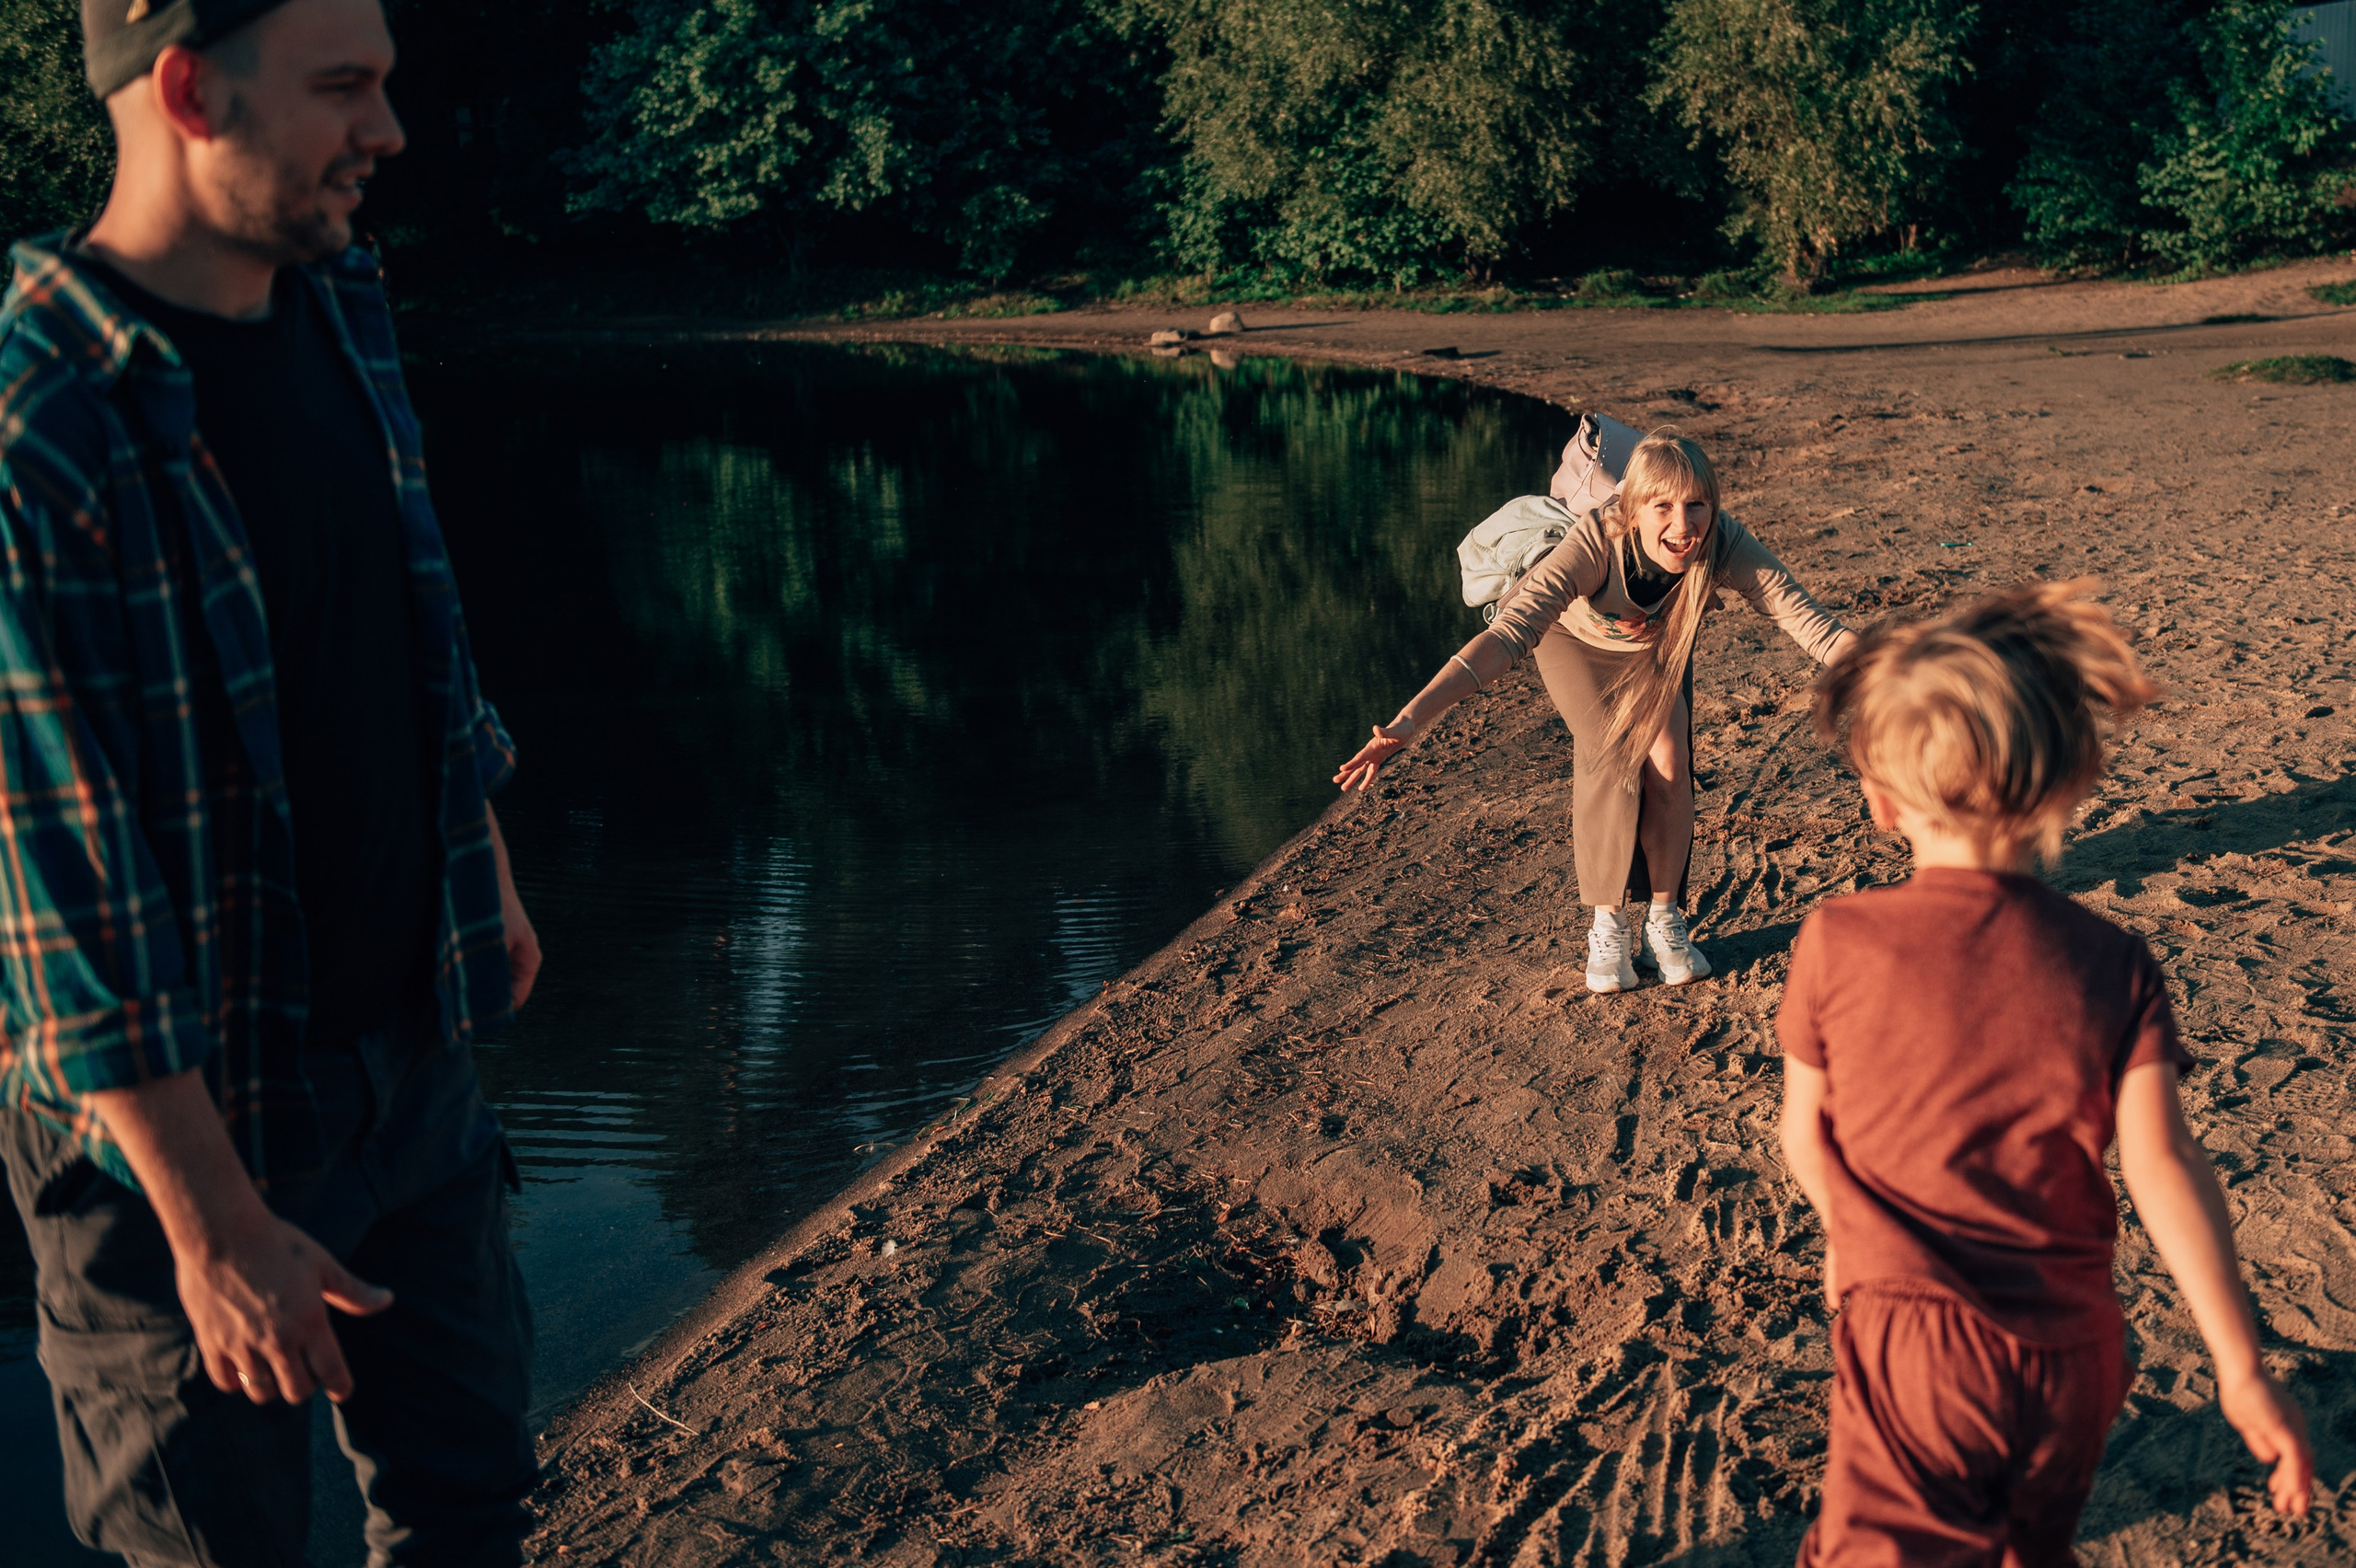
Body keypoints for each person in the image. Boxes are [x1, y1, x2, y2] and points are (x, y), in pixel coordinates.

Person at [0, 1, 542, 1562]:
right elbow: (59, 894)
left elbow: (407, 610)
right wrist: (214, 1224)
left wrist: (478, 844)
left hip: (408, 1063)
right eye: (344, 89)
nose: (391, 131)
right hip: (178, 1130)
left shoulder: (336, 294)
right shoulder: (41, 428)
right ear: (186, 90)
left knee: (470, 1507)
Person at [1777, 582, 2313, 1564]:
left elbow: (1804, 1136)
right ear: (2064, 785)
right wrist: (2238, 1366)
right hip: (2076, 1355)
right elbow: (2162, 1168)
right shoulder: (2113, 962)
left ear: (1882, 802)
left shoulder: (1837, 940)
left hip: (1917, 1345)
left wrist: (1851, 1245)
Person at [1334, 429, 1854, 993]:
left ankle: (1665, 922)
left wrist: (1897, 675)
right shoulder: (1595, 543)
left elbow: (1806, 618)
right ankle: (1608, 927)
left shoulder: (1721, 540)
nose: (1683, 525)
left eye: (1696, 505)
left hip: (1653, 648)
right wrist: (1411, 720)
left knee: (1672, 763)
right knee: (1612, 757)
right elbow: (1509, 636)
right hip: (1573, 643)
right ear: (1633, 509)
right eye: (1663, 507)